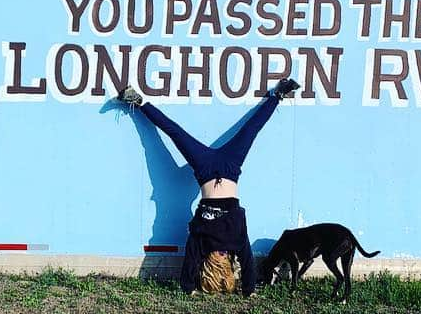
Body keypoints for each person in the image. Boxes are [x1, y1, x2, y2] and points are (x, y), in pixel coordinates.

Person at [117, 78, 300, 295]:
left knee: (241, 130)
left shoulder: (226, 241)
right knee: (185, 132)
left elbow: (243, 260)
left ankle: (277, 96)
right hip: (219, 169)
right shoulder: (206, 241)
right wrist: (192, 288)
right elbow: (201, 260)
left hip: (216, 168)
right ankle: (140, 102)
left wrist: (246, 289)